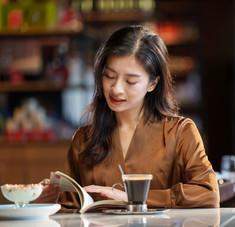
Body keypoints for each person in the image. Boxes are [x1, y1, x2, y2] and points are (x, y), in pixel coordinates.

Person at [36, 25, 219, 208]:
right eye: (109, 76)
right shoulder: (83, 139)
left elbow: (208, 194)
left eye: (130, 81)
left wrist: (132, 198)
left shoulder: (180, 132)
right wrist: (48, 200)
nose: (116, 89)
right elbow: (71, 207)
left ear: (153, 83)